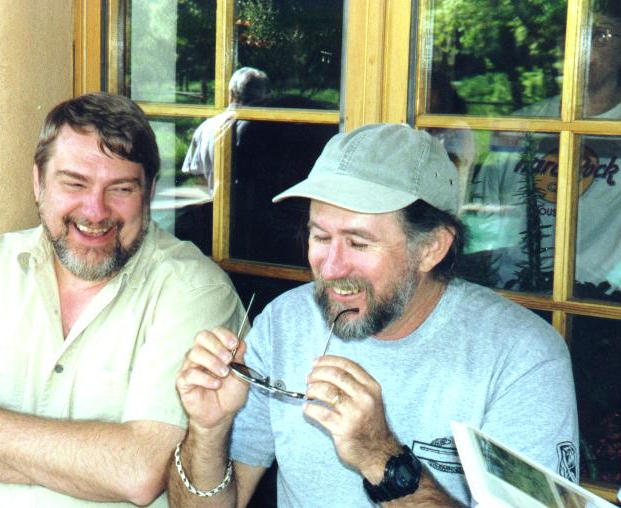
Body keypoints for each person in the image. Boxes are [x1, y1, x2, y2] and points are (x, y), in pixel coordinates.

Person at [169, 123, 578, 507]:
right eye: (320, 236)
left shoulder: (522, 356)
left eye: (358, 243)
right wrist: (208, 430)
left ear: (431, 248)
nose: (331, 268)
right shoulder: (284, 323)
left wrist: (381, 458)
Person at [0, 93, 246, 508]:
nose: (95, 210)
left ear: (149, 192)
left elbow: (140, 473)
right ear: (38, 182)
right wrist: (92, 465)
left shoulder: (194, 290)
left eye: (120, 188)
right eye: (74, 183)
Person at [465, 1, 621, 297]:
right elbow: (483, 217)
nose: (582, 46)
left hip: (598, 302)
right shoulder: (521, 125)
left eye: (600, 34)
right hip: (511, 293)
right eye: (572, 32)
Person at [181, 66, 269, 193]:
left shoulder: (206, 127)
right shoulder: (265, 128)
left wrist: (215, 194)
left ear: (231, 93)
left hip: (215, 202)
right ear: (264, 96)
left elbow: (194, 172)